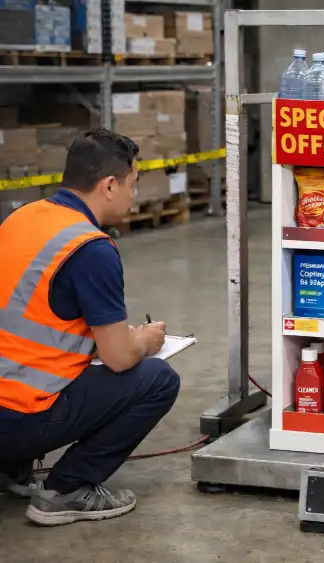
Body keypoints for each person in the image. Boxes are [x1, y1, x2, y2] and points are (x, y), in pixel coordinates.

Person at [0, 129, 181, 526]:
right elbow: (118, 359)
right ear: (109, 185)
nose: (134, 194)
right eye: (133, 183)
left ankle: (9, 469)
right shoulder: (90, 248)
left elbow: (31, 317)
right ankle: (66, 489)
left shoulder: (21, 218)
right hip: (20, 415)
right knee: (158, 380)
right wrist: (144, 340)